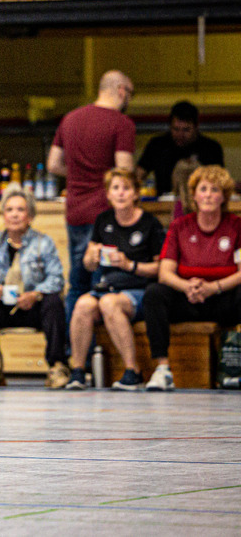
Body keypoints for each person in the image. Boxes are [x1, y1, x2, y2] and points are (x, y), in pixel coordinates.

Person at [47, 70, 136, 332]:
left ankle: (75, 356)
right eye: (130, 93)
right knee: (102, 286)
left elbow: (53, 164)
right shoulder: (122, 124)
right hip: (105, 217)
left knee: (77, 285)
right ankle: (101, 359)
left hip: (74, 212)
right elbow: (124, 171)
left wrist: (76, 173)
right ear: (121, 91)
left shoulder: (70, 119)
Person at [142, 165, 241, 391]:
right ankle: (163, 369)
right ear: (194, 195)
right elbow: (165, 273)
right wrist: (187, 287)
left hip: (222, 298)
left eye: (214, 189)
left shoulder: (236, 225)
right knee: (154, 293)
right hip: (188, 298)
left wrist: (213, 287)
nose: (207, 194)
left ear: (224, 196)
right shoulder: (180, 226)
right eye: (203, 189)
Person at [0, 188, 69, 389]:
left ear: (30, 216)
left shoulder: (44, 243)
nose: (15, 214)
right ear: (4, 215)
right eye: (9, 209)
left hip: (31, 308)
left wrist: (35, 294)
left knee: (53, 301)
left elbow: (57, 279)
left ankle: (58, 366)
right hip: (0, 308)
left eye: (21, 209)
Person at [65, 169, 164, 390]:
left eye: (126, 188)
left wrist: (130, 265)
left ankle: (133, 371)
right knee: (82, 305)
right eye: (115, 188)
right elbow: (88, 264)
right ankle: (78, 371)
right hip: (107, 286)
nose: (121, 193)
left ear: (136, 194)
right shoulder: (103, 220)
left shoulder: (150, 223)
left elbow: (160, 268)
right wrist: (91, 257)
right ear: (108, 194)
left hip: (138, 289)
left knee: (110, 303)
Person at [137, 101, 224, 196]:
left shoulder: (211, 148)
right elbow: (139, 175)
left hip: (202, 201)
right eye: (176, 129)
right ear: (170, 126)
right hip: (165, 203)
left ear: (196, 127)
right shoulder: (157, 145)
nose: (180, 135)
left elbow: (220, 181)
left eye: (186, 130)